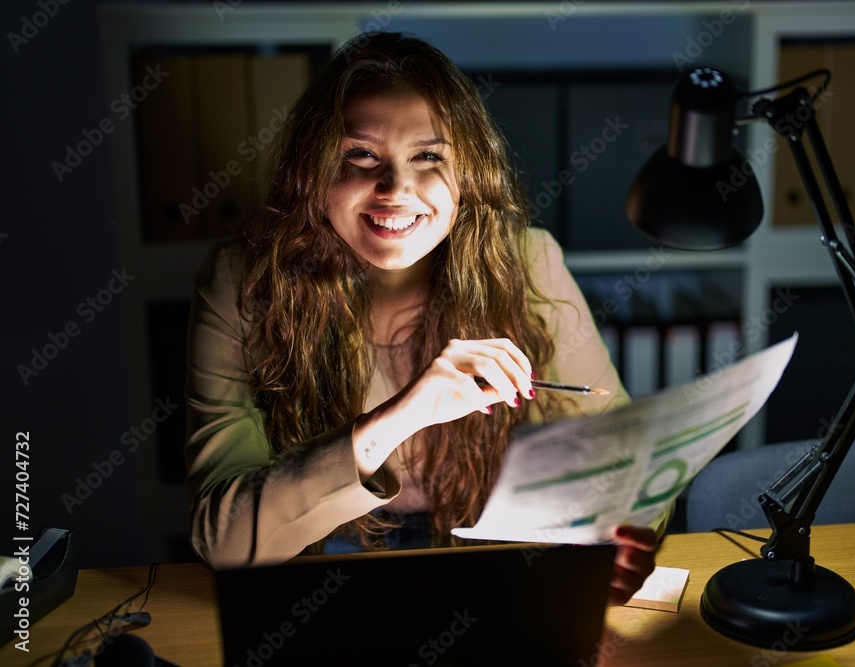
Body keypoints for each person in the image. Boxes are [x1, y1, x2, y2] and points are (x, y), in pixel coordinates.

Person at [184, 31, 664, 605]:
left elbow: (628, 457)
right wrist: (401, 415)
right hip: (316, 565)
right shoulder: (240, 281)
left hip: (491, 557)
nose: (396, 189)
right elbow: (224, 540)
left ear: (467, 176)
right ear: (312, 170)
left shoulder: (530, 261)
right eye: (359, 156)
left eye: (429, 157)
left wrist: (620, 538)